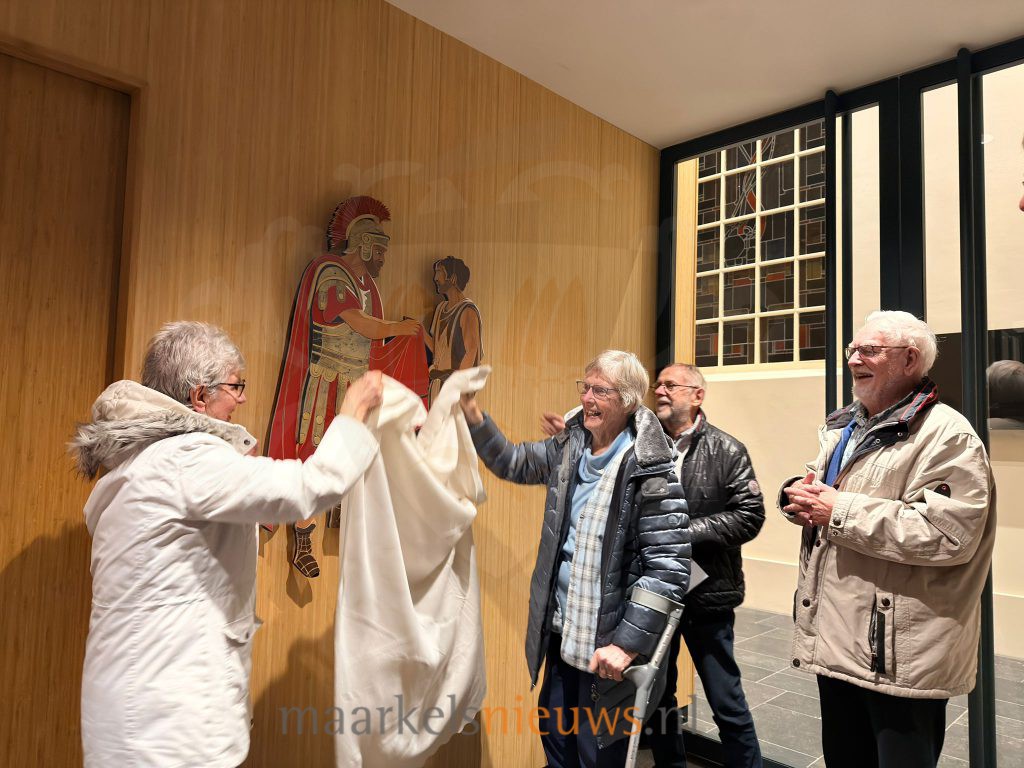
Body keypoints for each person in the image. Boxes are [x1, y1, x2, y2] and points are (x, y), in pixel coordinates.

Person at [71, 321, 383, 767]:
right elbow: (310, 486)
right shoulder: (185, 460)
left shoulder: (139, 465)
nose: (242, 399)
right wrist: (352, 411)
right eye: (236, 386)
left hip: (133, 710)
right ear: (199, 396)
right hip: (170, 725)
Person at [781, 310, 996, 768]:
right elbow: (833, 491)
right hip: (839, 638)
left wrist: (836, 510)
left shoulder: (948, 436)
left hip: (899, 654)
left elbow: (946, 534)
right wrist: (797, 495)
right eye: (852, 349)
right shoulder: (847, 425)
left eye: (870, 350)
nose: (854, 358)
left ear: (910, 360)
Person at [461, 350, 691, 768]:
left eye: (599, 390)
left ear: (626, 400)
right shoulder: (570, 447)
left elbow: (668, 568)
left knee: (596, 756)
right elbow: (512, 462)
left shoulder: (651, 468)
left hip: (608, 650)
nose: (586, 398)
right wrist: (474, 415)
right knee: (558, 751)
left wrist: (626, 644)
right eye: (584, 388)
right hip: (562, 636)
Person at [266, 195, 422, 578]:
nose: (384, 259)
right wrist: (397, 328)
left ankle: (345, 536)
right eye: (381, 250)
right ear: (365, 244)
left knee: (354, 460)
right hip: (326, 382)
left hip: (354, 384)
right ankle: (303, 536)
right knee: (315, 452)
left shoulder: (366, 284)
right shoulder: (330, 273)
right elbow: (358, 323)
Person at [646, 364, 764, 768]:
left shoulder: (727, 450)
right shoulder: (642, 446)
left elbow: (750, 515)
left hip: (707, 594)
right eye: (657, 384)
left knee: (725, 702)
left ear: (697, 395)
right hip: (654, 592)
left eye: (670, 385)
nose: (659, 390)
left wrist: (685, 531)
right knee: (658, 700)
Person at [425, 255, 483, 406]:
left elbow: (472, 351)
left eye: (440, 271)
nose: (435, 277)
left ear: (453, 278)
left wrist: (456, 386)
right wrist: (420, 332)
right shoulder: (440, 309)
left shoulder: (467, 310)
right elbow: (438, 351)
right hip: (438, 383)